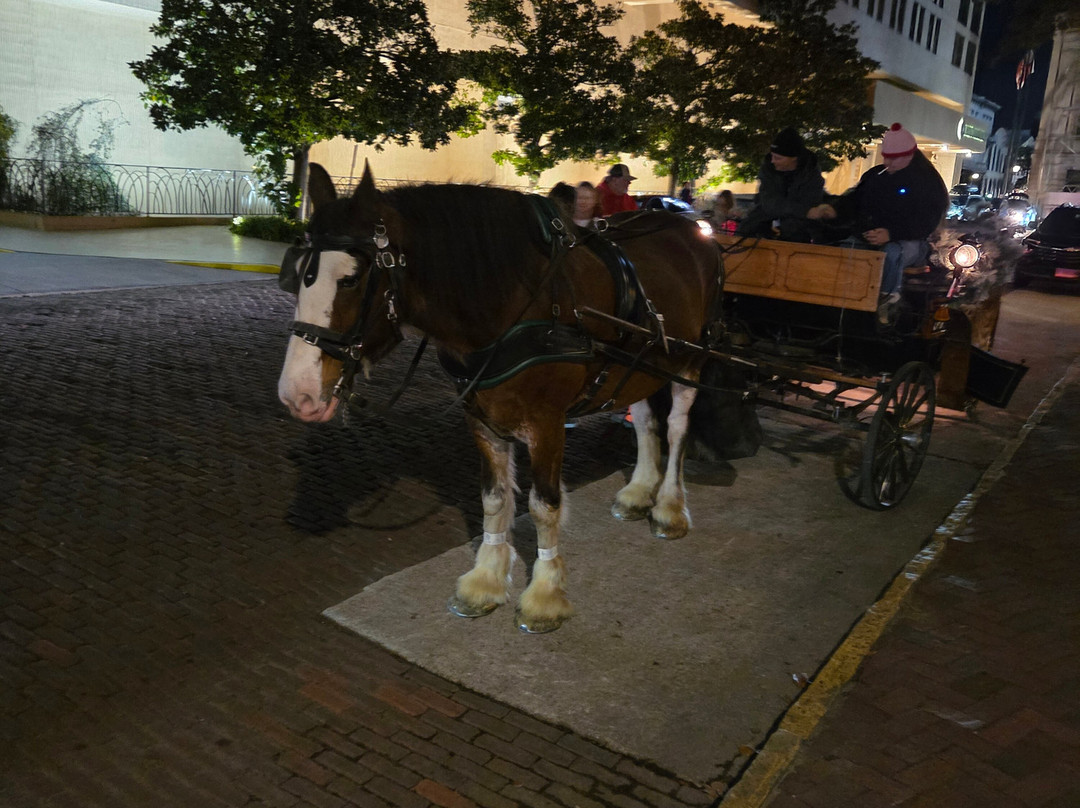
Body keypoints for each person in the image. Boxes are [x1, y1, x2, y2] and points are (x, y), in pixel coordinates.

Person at [807, 122, 949, 312]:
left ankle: (887, 300)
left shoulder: (927, 183)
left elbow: (926, 223)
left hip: (912, 243)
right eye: (886, 157)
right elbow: (854, 200)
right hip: (871, 237)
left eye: (894, 158)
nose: (888, 163)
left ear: (910, 155)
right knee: (846, 248)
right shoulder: (876, 176)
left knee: (890, 253)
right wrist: (835, 210)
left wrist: (892, 233)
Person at [736, 127, 824, 242]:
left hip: (798, 229)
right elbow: (769, 203)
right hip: (763, 220)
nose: (772, 161)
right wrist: (804, 211)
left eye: (778, 158)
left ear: (794, 158)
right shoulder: (768, 168)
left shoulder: (811, 175)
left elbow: (811, 205)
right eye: (772, 156)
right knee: (744, 232)